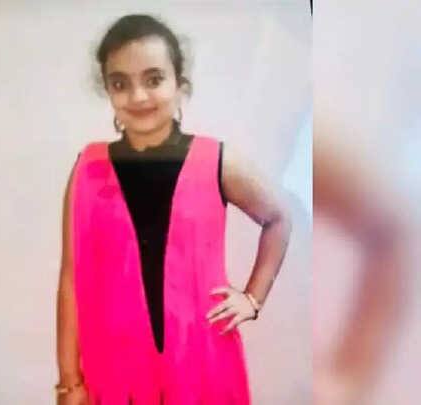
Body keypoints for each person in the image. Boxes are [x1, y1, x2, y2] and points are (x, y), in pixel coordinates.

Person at [56, 14, 292, 405]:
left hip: (203, 363)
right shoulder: (88, 169)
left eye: (153, 79)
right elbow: (71, 278)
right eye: (120, 83)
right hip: (116, 369)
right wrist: (69, 383)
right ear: (108, 91)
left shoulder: (217, 160)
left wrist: (252, 299)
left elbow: (278, 218)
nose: (138, 97)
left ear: (180, 85)